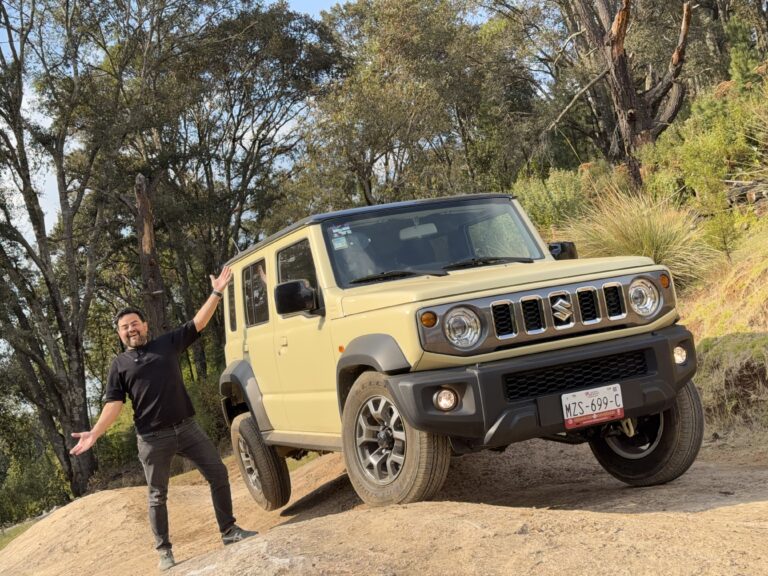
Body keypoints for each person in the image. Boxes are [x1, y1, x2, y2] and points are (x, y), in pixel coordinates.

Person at [70, 266, 256, 571]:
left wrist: (217, 292)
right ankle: (164, 552)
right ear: (119, 334)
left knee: (219, 474)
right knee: (157, 496)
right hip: (152, 439)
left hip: (187, 427)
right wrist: (95, 433)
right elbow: (114, 405)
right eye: (124, 327)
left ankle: (229, 531)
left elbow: (198, 323)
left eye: (135, 323)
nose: (131, 329)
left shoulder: (167, 344)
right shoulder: (118, 365)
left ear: (145, 325)